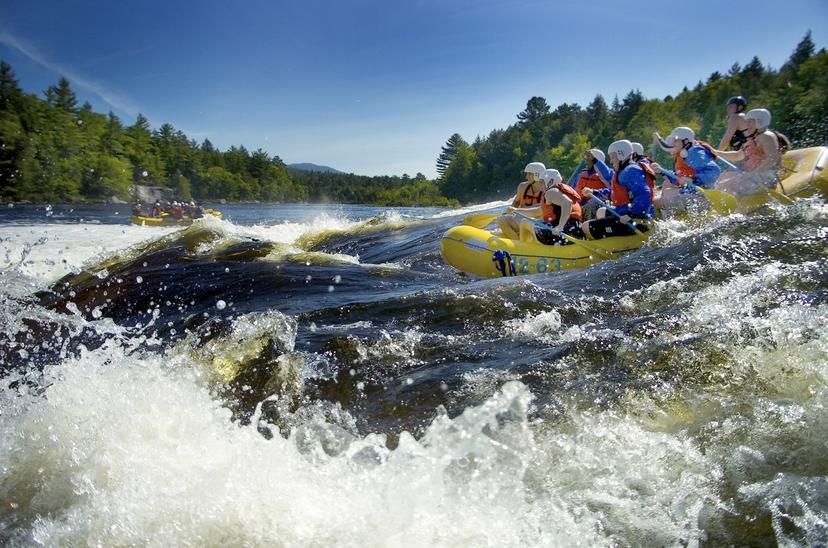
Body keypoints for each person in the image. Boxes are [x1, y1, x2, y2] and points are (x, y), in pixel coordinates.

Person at [582, 140, 652, 240]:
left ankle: (610, 246)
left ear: (621, 155)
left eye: (612, 157)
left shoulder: (630, 171)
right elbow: (616, 192)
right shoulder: (624, 170)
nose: (611, 161)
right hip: (624, 214)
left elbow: (644, 193)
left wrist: (631, 214)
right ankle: (611, 239)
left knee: (586, 227)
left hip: (634, 220)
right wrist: (595, 192)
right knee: (601, 212)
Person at [714, 108, 791, 196]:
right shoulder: (753, 138)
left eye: (750, 121)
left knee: (729, 183)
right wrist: (715, 152)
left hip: (767, 179)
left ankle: (734, 204)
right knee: (725, 176)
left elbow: (772, 159)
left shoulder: (767, 136)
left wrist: (751, 174)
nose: (747, 124)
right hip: (756, 177)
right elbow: (737, 155)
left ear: (760, 122)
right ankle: (728, 202)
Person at [651, 127, 721, 210]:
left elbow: (714, 170)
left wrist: (694, 179)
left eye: (676, 140)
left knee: (663, 196)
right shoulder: (684, 155)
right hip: (692, 192)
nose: (673, 143)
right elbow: (679, 177)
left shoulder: (694, 152)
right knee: (666, 185)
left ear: (686, 141)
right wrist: (663, 171)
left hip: (701, 195)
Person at [513, 168, 583, 244]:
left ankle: (524, 248)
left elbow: (567, 203)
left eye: (542, 181)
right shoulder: (557, 191)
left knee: (524, 222)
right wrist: (516, 210)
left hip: (564, 232)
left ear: (551, 181)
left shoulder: (551, 192)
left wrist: (560, 226)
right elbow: (538, 211)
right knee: (527, 221)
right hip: (574, 230)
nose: (540, 184)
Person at [497, 162, 546, 239]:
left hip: (537, 222)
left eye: (529, 174)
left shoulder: (547, 190)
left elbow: (543, 210)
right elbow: (516, 202)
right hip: (520, 218)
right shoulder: (522, 186)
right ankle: (517, 242)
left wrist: (518, 210)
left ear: (537, 175)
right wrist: (511, 209)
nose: (527, 176)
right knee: (502, 221)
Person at [574, 149, 612, 220]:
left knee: (592, 203)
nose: (586, 162)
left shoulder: (606, 175)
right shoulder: (581, 175)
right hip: (579, 204)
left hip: (595, 205)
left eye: (588, 160)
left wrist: (594, 192)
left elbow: (608, 177)